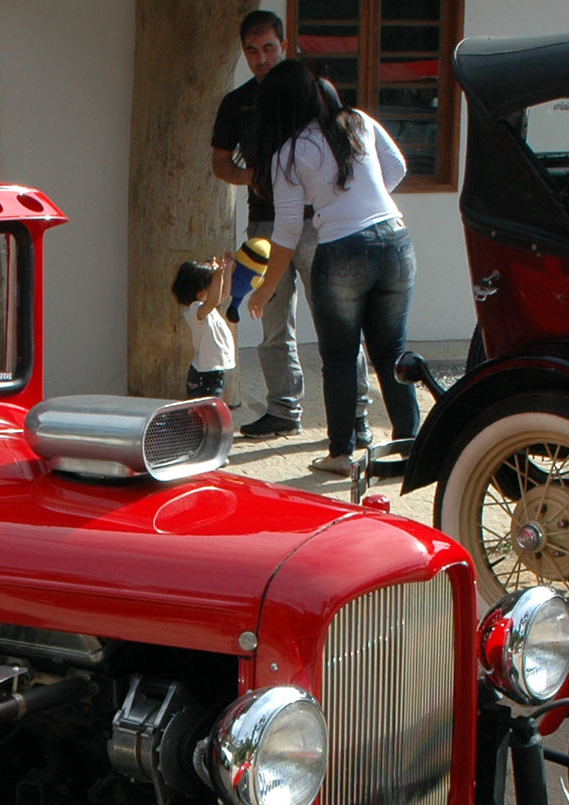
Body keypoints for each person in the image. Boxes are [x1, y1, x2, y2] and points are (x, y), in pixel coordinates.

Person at [246, 59, 417, 479]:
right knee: (391, 351)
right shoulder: (358, 121)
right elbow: (396, 168)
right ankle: (412, 448)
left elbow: (286, 231)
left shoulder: (289, 153)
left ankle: (342, 454)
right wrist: (365, 201)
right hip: (395, 239)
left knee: (340, 356)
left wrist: (266, 289)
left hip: (341, 251)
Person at [210, 11, 364, 439]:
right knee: (272, 321)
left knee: (337, 323)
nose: (261, 59)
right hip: (265, 223)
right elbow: (220, 163)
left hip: (321, 223)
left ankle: (356, 415)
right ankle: (283, 409)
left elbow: (346, 145)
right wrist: (253, 176)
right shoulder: (237, 102)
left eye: (269, 48)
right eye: (252, 51)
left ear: (284, 44)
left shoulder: (318, 92)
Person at [171, 258, 235, 400]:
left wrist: (228, 269)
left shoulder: (205, 309)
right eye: (212, 285)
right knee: (205, 412)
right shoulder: (195, 311)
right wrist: (218, 275)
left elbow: (223, 294)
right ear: (200, 294)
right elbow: (213, 300)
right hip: (204, 376)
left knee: (206, 411)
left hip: (210, 371)